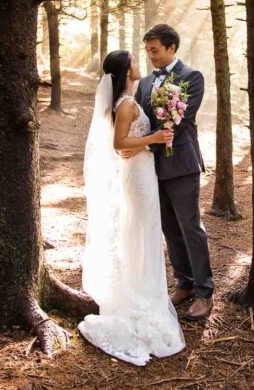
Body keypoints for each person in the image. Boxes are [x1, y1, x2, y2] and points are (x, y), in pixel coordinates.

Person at [78, 49, 185, 366]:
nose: (139, 64)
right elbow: (119, 144)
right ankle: (141, 295)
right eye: (134, 61)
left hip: (140, 171)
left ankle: (143, 287)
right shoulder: (125, 105)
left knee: (142, 233)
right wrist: (153, 137)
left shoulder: (127, 100)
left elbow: (126, 145)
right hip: (138, 178)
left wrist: (155, 139)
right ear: (126, 70)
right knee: (142, 231)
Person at [128, 23, 215, 321]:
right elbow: (140, 120)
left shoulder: (192, 77)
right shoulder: (145, 83)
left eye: (155, 50)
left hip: (182, 164)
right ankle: (185, 283)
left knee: (190, 227)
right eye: (148, 50)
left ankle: (205, 293)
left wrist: (148, 141)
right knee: (169, 227)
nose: (150, 56)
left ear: (172, 48)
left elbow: (180, 121)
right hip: (152, 166)